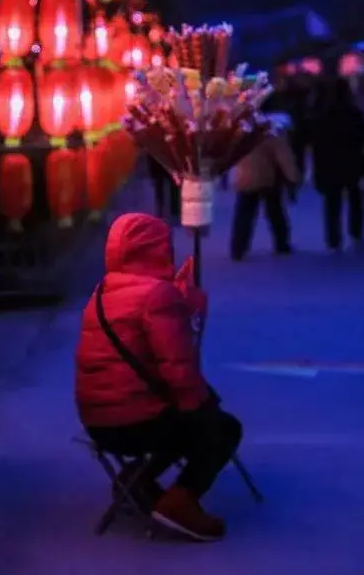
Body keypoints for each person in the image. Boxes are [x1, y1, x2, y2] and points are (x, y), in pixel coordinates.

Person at [75, 213, 242, 541]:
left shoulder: (101, 291)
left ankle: (137, 480)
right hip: (133, 422)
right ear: (154, 250)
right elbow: (178, 368)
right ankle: (180, 503)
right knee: (222, 428)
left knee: (181, 421)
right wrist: (203, 407)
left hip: (97, 420)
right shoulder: (156, 295)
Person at [311, 78, 364, 251]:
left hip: (330, 164)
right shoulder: (354, 113)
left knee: (332, 202)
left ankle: (333, 238)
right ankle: (356, 234)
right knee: (355, 200)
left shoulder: (324, 115)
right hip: (352, 162)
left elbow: (317, 143)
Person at [229, 132, 299, 260]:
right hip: (268, 178)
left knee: (244, 215)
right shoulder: (272, 135)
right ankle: (281, 244)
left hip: (245, 178)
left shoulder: (242, 134)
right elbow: (284, 158)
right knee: (275, 213)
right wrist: (292, 178)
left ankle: (238, 248)